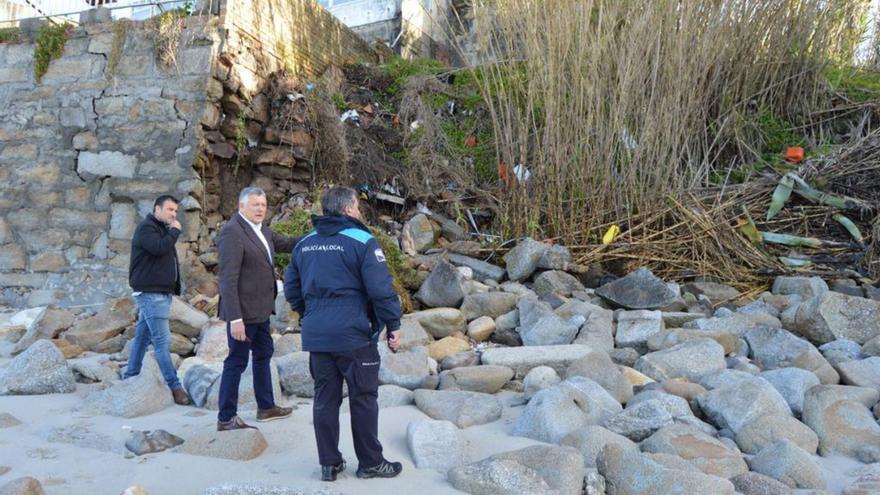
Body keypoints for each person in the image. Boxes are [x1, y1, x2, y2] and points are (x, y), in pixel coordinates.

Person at [284, 186, 403, 482]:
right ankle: (371, 463)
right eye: (358, 207)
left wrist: (310, 314)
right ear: (349, 209)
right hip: (354, 334)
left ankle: (329, 464)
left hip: (317, 334)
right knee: (363, 397)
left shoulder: (304, 244)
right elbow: (380, 290)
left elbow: (291, 290)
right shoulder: (363, 240)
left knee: (325, 398)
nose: (360, 212)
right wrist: (393, 324)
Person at [215, 187, 303, 431]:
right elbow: (227, 280)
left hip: (262, 312)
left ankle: (266, 407)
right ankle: (226, 418)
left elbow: (287, 243)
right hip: (242, 314)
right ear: (241, 206)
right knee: (236, 361)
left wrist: (320, 235)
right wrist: (235, 319)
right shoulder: (232, 232)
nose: (260, 209)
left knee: (263, 355)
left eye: (263, 205)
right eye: (255, 205)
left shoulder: (262, 230)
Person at [125, 195, 191, 406]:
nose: (174, 215)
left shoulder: (161, 229)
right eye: (170, 210)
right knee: (162, 343)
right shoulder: (147, 228)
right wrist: (175, 231)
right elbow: (159, 248)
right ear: (157, 209)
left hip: (161, 293)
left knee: (143, 338)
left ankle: (131, 376)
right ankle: (175, 387)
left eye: (175, 211)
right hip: (151, 294)